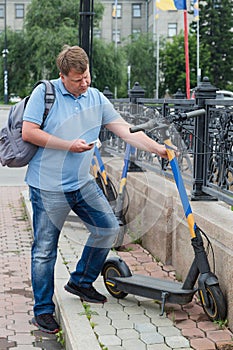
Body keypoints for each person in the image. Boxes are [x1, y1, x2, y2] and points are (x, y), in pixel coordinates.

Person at [22, 45, 168, 334]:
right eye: (77, 79)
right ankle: (43, 310)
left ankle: (81, 281)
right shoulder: (45, 93)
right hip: (47, 186)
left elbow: (125, 131)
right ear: (62, 76)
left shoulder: (96, 98)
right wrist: (69, 145)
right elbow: (29, 132)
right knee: (45, 251)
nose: (84, 83)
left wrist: (159, 148)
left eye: (86, 76)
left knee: (108, 229)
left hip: (81, 183)